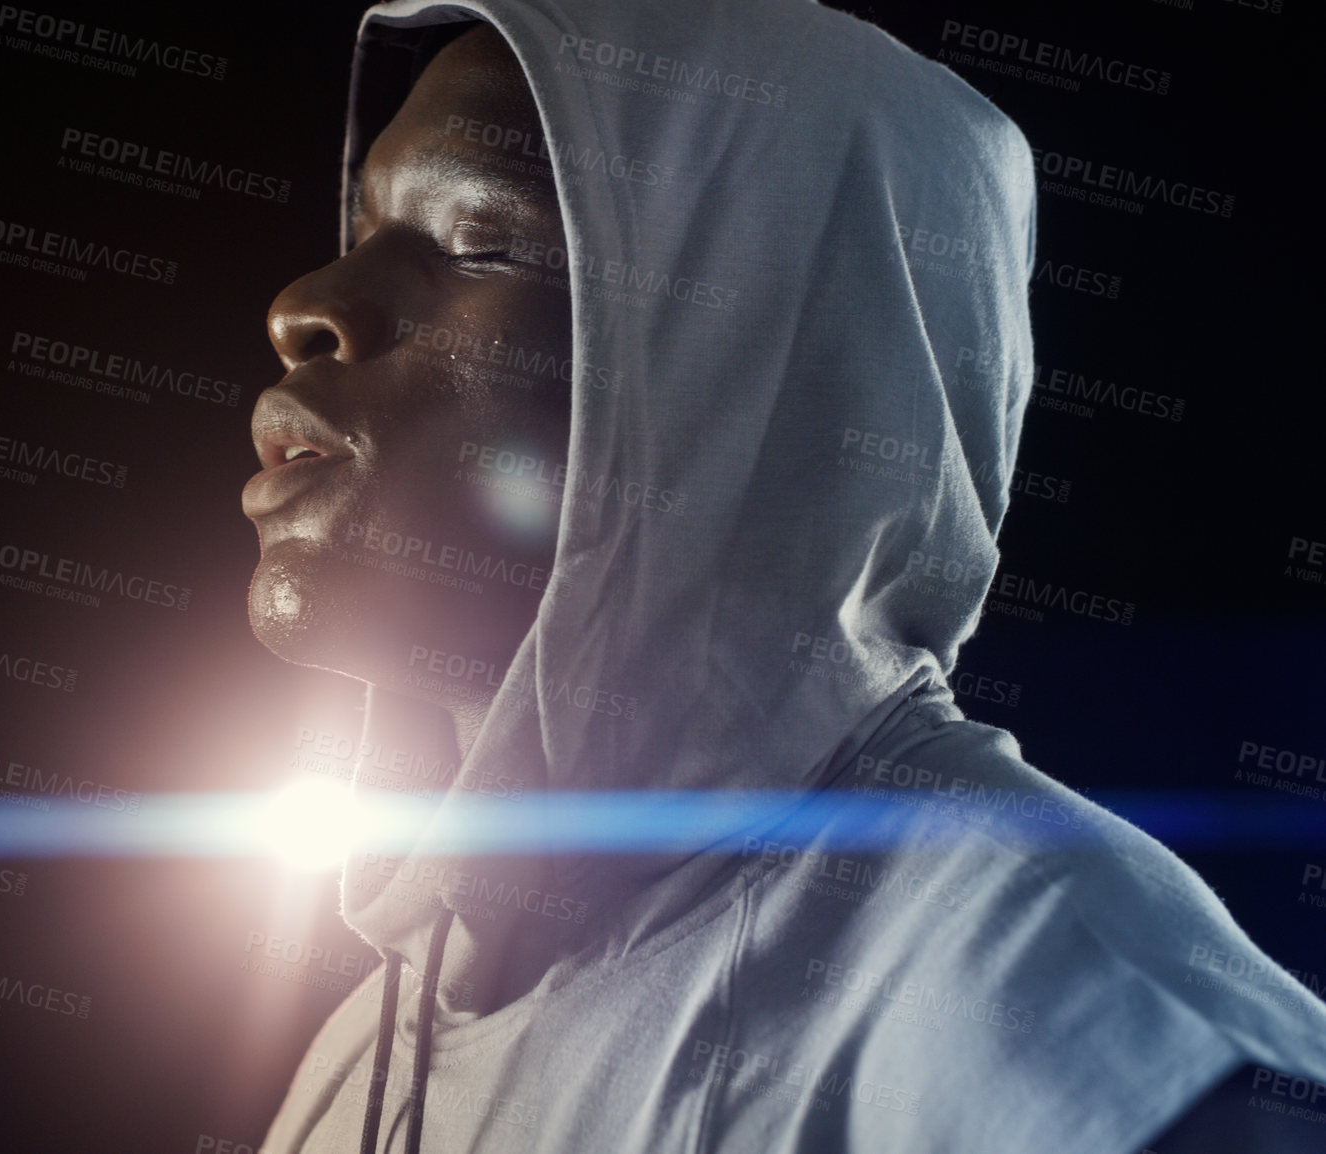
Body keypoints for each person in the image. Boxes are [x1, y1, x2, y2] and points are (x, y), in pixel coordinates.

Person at [239, 3, 1326, 1151]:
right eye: (361, 233)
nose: (302, 307)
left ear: (768, 363)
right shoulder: (364, 1054)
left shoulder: (1036, 969)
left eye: (476, 242)